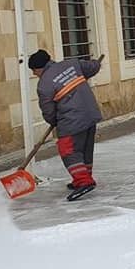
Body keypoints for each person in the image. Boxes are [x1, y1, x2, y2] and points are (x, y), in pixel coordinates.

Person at [29, 49, 103, 199]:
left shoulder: (44, 85)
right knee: (84, 149)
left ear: (38, 68)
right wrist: (95, 63)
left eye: (33, 70)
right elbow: (93, 67)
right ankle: (83, 176)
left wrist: (55, 122)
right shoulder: (72, 64)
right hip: (90, 114)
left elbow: (48, 111)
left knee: (67, 149)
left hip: (72, 120)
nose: (33, 74)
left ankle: (83, 181)